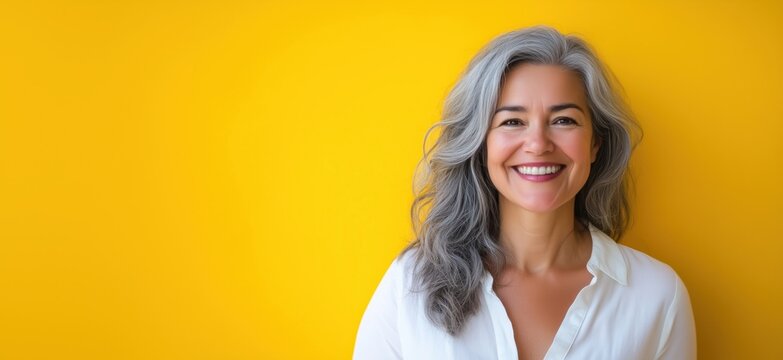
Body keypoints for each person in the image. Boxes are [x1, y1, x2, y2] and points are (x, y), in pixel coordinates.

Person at [353, 26, 696, 360]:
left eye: (563, 120)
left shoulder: (657, 295)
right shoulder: (411, 282)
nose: (537, 145)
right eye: (512, 122)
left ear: (595, 144)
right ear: (481, 143)